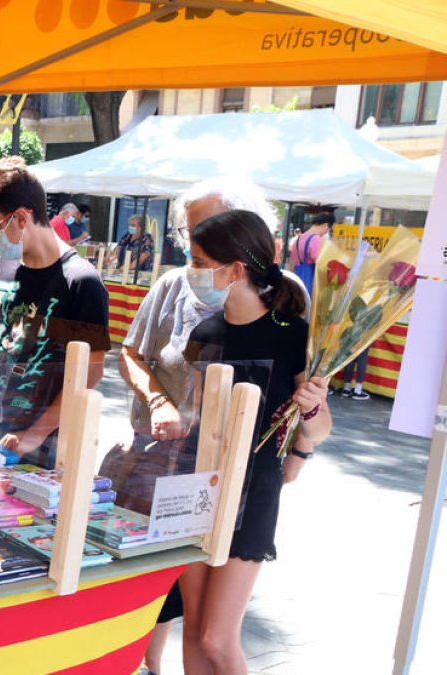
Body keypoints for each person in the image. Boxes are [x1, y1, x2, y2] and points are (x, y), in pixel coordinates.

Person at [180, 209, 330, 675]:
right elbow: (197, 417)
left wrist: (310, 409)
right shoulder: (203, 333)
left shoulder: (292, 335)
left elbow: (320, 429)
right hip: (196, 483)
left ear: (235, 270)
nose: (192, 270)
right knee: (193, 628)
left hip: (254, 488)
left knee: (217, 637)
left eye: (200, 260)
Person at [0, 158, 110, 468]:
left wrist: (36, 433)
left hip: (38, 445)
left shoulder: (81, 282)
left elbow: (90, 373)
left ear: (21, 217)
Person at [290, 212, 332, 293]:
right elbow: (321, 265)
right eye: (329, 229)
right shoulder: (316, 239)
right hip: (310, 285)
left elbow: (292, 264)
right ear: (326, 225)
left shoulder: (298, 239)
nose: (327, 232)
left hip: (296, 282)